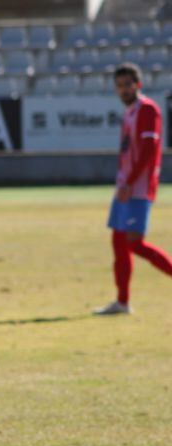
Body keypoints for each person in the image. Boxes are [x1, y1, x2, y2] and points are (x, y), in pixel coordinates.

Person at [94, 62, 170, 315]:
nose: (124, 90)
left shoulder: (148, 110)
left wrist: (130, 181)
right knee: (118, 242)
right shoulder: (129, 113)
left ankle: (124, 301)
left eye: (128, 84)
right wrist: (122, 181)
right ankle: (122, 302)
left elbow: (149, 152)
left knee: (135, 243)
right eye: (119, 86)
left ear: (138, 85)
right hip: (124, 187)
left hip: (137, 188)